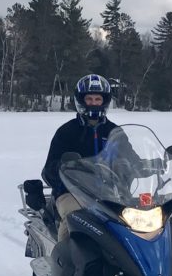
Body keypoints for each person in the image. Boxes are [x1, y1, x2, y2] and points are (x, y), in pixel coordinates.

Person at [41, 74, 117, 240]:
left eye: (98, 99)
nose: (94, 103)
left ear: (105, 101)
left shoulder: (114, 132)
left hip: (109, 194)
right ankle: (65, 262)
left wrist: (150, 165)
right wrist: (64, 165)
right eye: (89, 99)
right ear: (81, 100)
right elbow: (49, 169)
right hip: (71, 193)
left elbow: (129, 157)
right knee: (75, 219)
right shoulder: (67, 131)